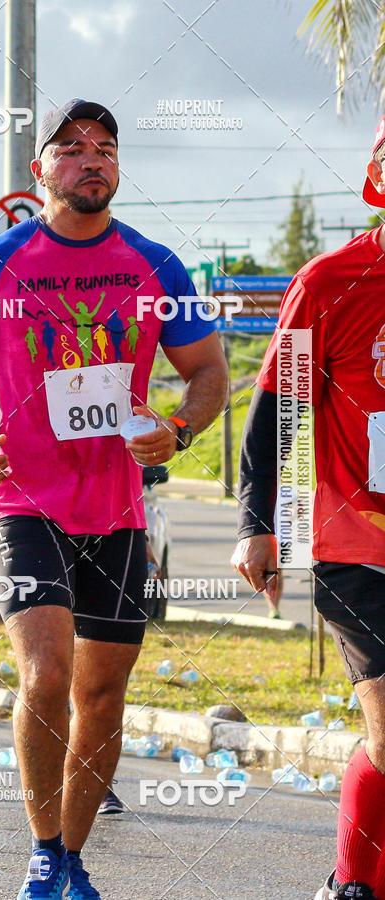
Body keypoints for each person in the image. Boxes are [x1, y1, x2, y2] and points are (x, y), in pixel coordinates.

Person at [0, 98, 228, 900]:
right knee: (47, 676)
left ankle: (73, 859)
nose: (93, 159)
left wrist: (182, 430)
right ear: (39, 169)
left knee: (102, 691)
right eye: (73, 147)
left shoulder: (155, 265)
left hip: (117, 506)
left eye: (106, 148)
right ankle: (43, 851)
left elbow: (210, 371)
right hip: (23, 501)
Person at [232, 114, 385, 900]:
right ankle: (351, 885)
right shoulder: (328, 285)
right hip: (359, 548)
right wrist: (256, 523)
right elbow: (274, 416)